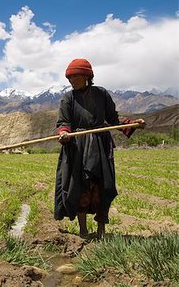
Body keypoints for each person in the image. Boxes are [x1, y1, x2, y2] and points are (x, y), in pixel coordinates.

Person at [54, 58, 145, 239]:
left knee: (102, 186)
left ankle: (101, 232)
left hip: (101, 147)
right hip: (78, 147)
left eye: (76, 76)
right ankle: (83, 231)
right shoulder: (68, 98)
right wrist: (64, 132)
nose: (72, 80)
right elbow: (63, 123)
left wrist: (133, 124)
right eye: (70, 77)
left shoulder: (102, 94)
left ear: (87, 76)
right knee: (80, 187)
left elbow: (113, 119)